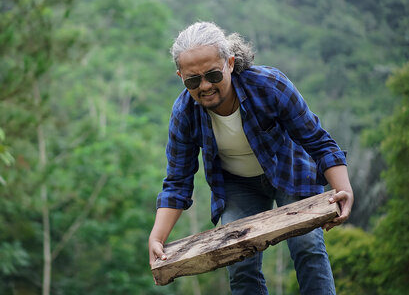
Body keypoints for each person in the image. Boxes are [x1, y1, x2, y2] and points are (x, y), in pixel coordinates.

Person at [148, 22, 354, 294]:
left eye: (213, 75)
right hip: (237, 185)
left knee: (307, 248)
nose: (205, 86)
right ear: (180, 77)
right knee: (240, 262)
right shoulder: (184, 113)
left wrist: (344, 189)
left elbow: (317, 140)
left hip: (289, 171)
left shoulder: (269, 86)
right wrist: (157, 237)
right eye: (193, 80)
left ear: (230, 63)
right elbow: (177, 182)